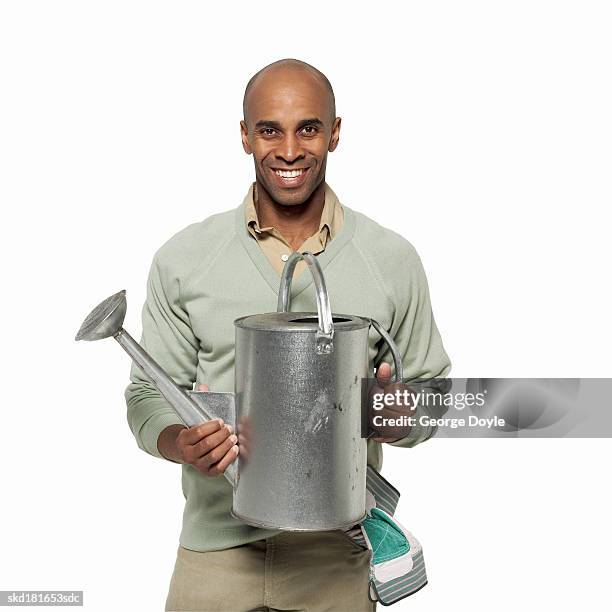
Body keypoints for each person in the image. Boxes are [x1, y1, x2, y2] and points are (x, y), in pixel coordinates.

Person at [125, 58, 451, 612]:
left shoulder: (390, 260)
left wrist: (403, 417)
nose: (291, 150)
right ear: (246, 136)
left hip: (336, 555)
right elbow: (146, 396)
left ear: (335, 133)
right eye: (270, 129)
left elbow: (434, 392)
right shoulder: (185, 259)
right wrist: (180, 442)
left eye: (309, 128)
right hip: (216, 554)